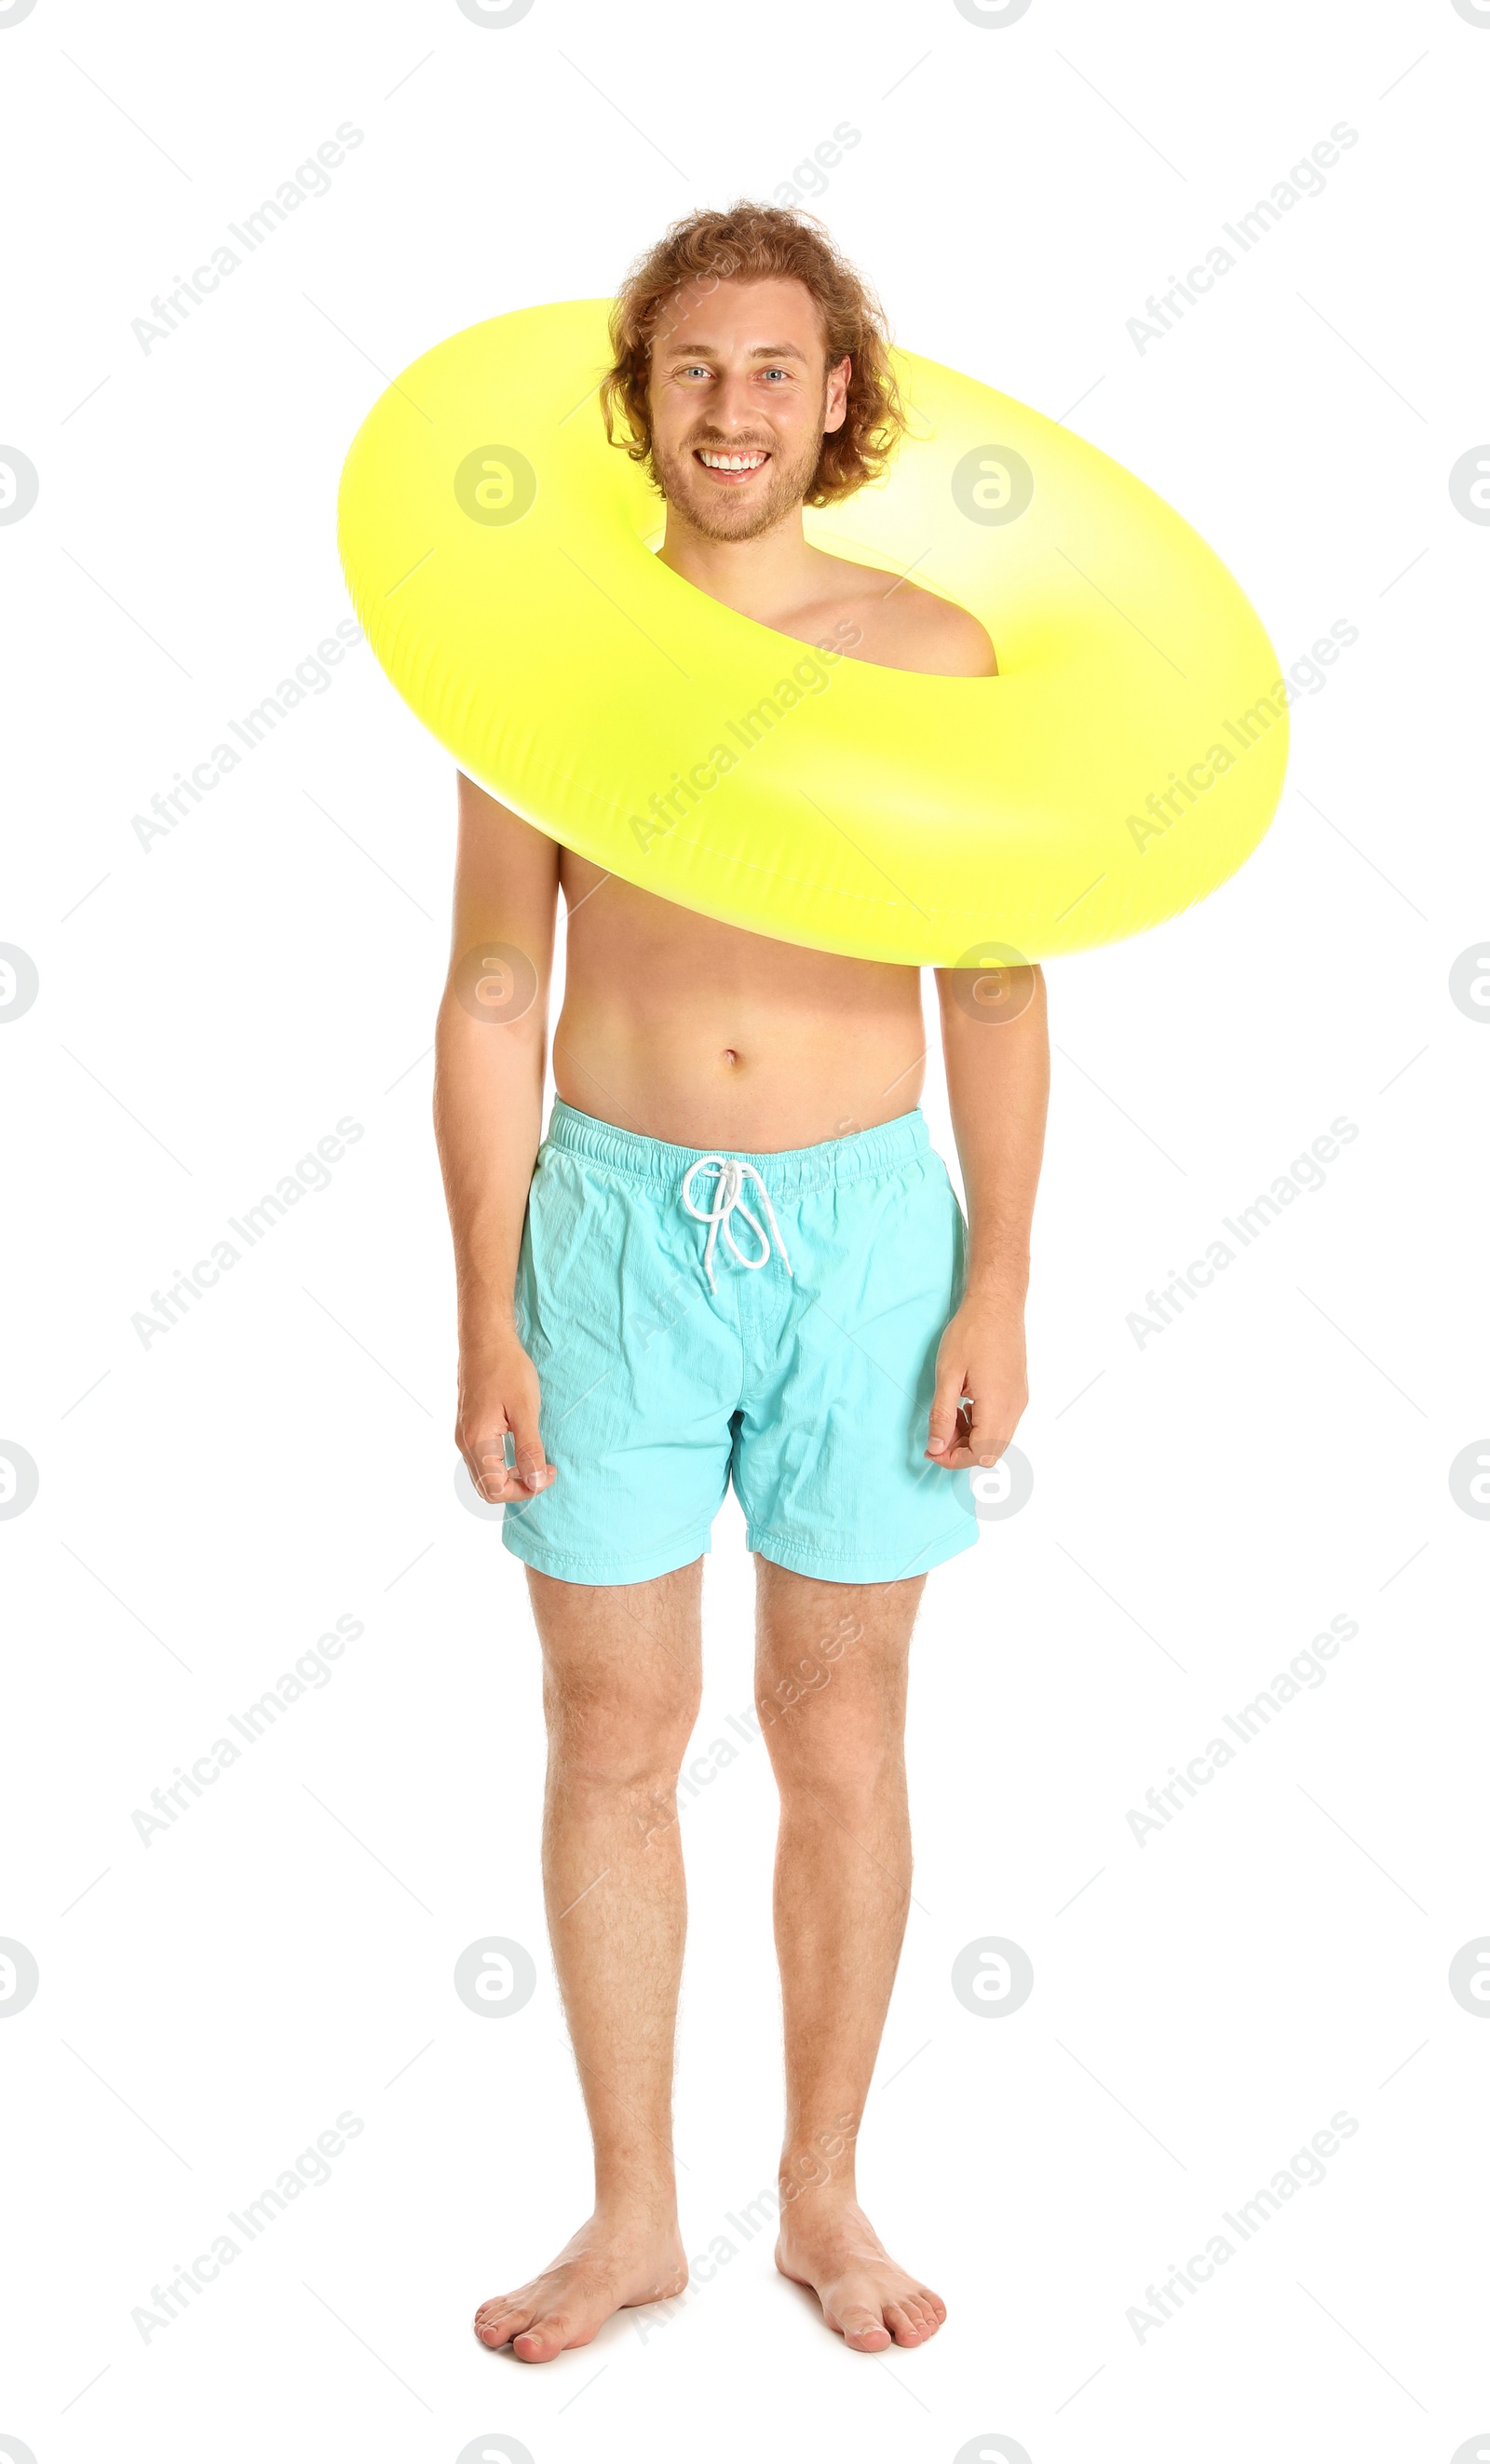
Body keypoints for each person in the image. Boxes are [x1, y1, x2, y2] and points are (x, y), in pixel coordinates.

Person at [440, 203, 1049, 2362]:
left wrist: (994, 1285)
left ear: (836, 394)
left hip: (866, 1234)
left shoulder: (926, 651)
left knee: (841, 1722)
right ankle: (624, 2217)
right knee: (612, 1726)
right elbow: (496, 988)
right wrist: (484, 1302)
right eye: (693, 367)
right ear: (642, 396)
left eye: (774, 369)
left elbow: (988, 975)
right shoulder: (542, 657)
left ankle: (820, 2194)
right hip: (606, 1229)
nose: (732, 408)